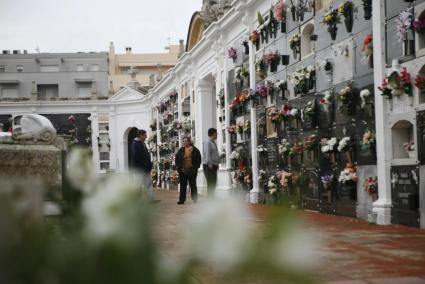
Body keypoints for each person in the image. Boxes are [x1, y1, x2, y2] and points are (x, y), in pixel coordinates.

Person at [130, 129, 160, 203]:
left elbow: (146, 155)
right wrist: (143, 165)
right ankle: (135, 201)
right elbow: (135, 157)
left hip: (145, 169)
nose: (146, 137)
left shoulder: (142, 143)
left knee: (149, 184)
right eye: (145, 135)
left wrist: (149, 165)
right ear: (140, 135)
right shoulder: (135, 144)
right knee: (137, 186)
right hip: (138, 170)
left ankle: (151, 199)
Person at [175, 136, 201, 205]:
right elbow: (177, 160)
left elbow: (198, 159)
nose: (184, 142)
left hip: (192, 170)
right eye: (183, 141)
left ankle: (194, 198)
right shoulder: (180, 150)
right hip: (183, 170)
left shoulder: (195, 150)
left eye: (186, 141)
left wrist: (196, 168)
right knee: (183, 186)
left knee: (193, 185)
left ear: (189, 141)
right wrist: (179, 168)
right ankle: (181, 200)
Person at [202, 128, 220, 197]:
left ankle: (212, 198)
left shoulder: (213, 142)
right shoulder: (207, 142)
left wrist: (217, 164)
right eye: (216, 133)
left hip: (213, 165)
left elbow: (214, 154)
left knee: (214, 183)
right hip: (208, 165)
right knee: (210, 183)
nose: (217, 135)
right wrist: (209, 164)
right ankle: (210, 200)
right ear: (213, 134)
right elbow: (207, 154)